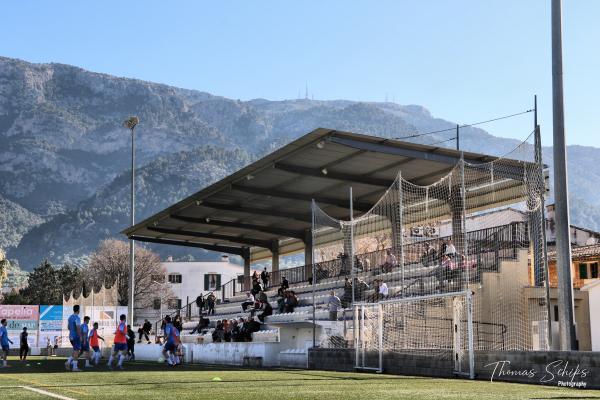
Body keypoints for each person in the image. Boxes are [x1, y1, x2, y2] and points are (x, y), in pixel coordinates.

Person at [65, 305, 82, 372]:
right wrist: (80, 336)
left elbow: (68, 327)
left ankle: (68, 362)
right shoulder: (77, 318)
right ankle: (74, 367)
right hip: (76, 336)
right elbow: (78, 328)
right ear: (78, 310)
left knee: (76, 351)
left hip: (71, 336)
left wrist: (72, 331)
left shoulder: (70, 317)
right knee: (76, 352)